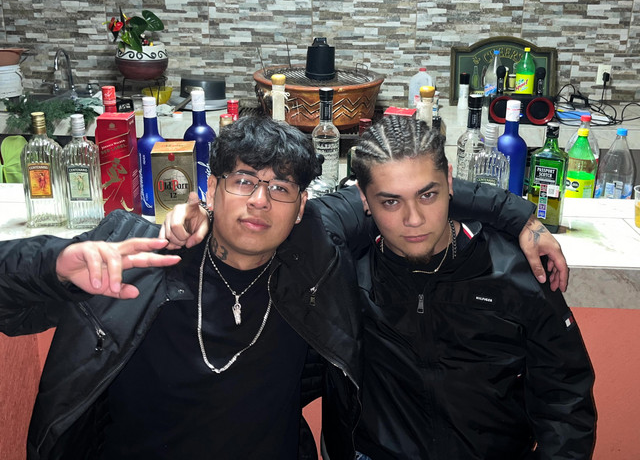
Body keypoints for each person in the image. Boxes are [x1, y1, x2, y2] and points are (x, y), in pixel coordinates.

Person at [0, 115, 567, 460]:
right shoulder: (133, 253)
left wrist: (521, 217)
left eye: (280, 189)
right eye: (243, 180)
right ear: (211, 189)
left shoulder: (312, 260)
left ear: (301, 210)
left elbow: (409, 186)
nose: (259, 201)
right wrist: (54, 264)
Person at [348, 116, 595, 459]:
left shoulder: (514, 272)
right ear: (363, 199)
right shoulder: (349, 272)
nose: (414, 219)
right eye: (391, 202)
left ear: (450, 181)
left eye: (428, 195)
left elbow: (565, 398)